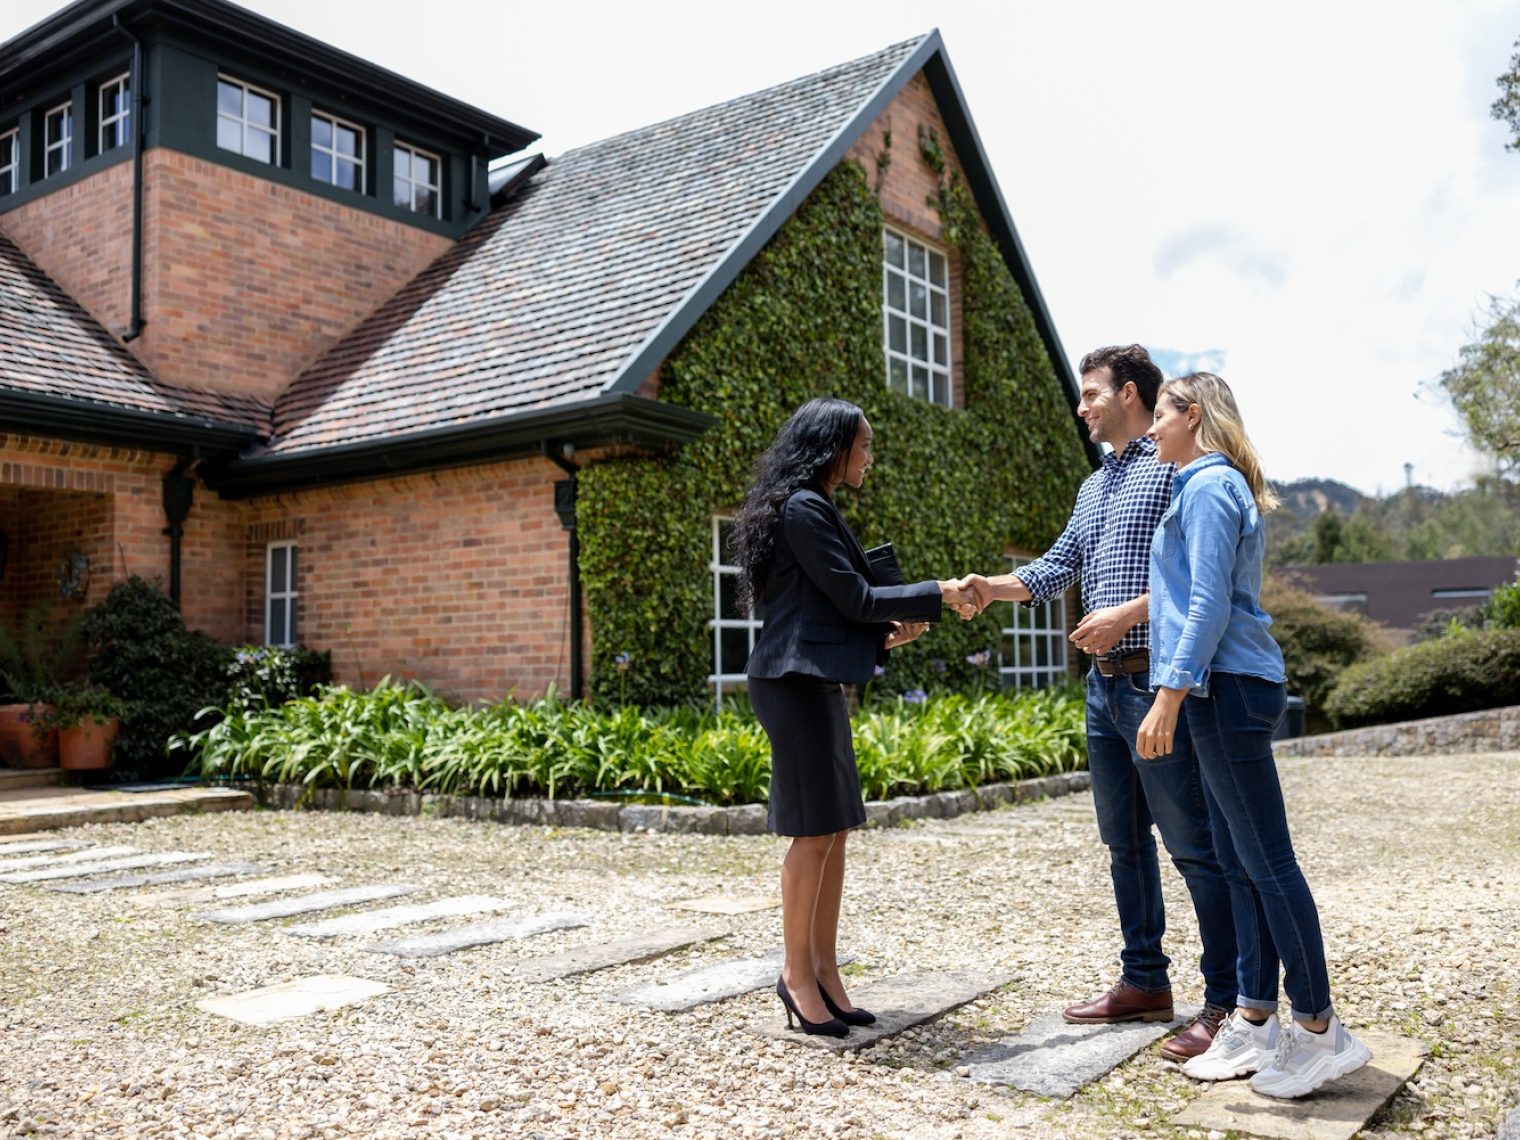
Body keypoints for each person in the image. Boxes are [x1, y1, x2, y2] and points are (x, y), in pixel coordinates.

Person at [958, 345, 1237, 1060]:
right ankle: (1144, 981)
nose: (1080, 406)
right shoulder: (1092, 488)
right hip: (1102, 687)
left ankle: (1228, 1001)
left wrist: (1122, 616)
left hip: (1155, 678)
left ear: (1132, 394)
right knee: (1123, 845)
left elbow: (1205, 574)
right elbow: (1059, 567)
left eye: (1091, 393)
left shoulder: (1175, 464)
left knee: (1193, 846)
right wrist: (992, 587)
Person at [1136, 371, 1371, 1097]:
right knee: (1242, 861)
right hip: (1224, 684)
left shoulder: (1208, 487)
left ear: (1193, 416)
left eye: (1161, 416)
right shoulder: (1205, 485)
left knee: (1266, 861)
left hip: (1225, 685)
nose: (1150, 429)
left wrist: (1168, 693)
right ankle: (1260, 1018)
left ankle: (1320, 1031)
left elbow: (1206, 600)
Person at [733, 397, 978, 1037]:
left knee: (834, 828)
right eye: (863, 445)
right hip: (791, 684)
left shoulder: (815, 506)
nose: (870, 456)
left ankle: (824, 971)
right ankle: (795, 976)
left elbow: (830, 614)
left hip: (811, 679)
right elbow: (855, 596)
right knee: (811, 833)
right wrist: (940, 592)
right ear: (833, 446)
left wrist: (885, 638)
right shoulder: (804, 507)